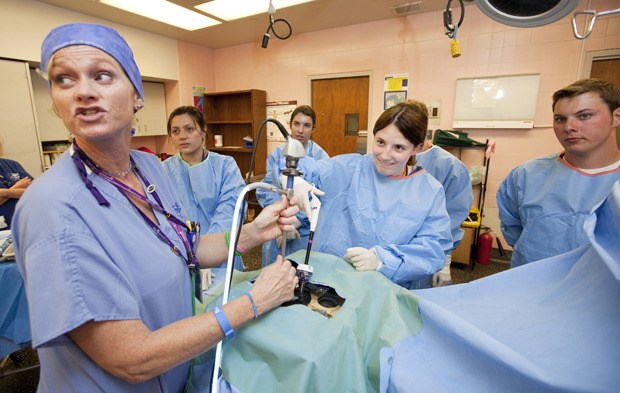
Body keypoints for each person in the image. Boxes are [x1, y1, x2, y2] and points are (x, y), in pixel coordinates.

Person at [11, 23, 300, 392]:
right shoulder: (53, 209)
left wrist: (252, 233)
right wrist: (254, 301)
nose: (83, 92)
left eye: (102, 75)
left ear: (137, 95)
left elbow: (185, 245)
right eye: (64, 79)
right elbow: (131, 358)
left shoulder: (147, 169)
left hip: (175, 372)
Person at [287, 100, 453, 290]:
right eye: (381, 142)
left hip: (387, 291)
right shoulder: (350, 168)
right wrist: (295, 180)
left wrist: (382, 260)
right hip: (332, 284)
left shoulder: (429, 192)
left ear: (417, 148)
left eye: (399, 147)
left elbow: (432, 250)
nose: (384, 155)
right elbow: (306, 169)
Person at [497, 78, 620, 268]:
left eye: (584, 116)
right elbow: (514, 230)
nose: (569, 127)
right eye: (560, 119)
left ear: (616, 117)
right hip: (533, 284)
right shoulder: (526, 176)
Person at [162, 106, 246, 271]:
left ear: (203, 131)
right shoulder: (164, 171)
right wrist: (189, 252)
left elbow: (230, 210)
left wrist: (208, 253)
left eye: (189, 129)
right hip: (182, 255)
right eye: (176, 131)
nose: (183, 136)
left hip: (222, 248)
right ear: (170, 137)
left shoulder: (225, 165)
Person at [255, 105, 329, 266]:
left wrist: (296, 220)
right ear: (290, 125)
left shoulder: (321, 157)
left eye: (307, 125)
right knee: (272, 270)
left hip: (304, 229)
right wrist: (282, 218)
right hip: (277, 223)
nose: (300, 130)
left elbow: (321, 196)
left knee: (300, 274)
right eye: (297, 124)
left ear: (313, 129)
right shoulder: (277, 154)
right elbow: (266, 189)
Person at [415, 139, 473, 287]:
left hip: (429, 254)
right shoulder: (384, 161)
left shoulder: (449, 166)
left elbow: (453, 216)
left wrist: (445, 259)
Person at [0, 141, 32, 229]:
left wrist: (3, 192)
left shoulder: (13, 165)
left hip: (23, 225)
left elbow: (32, 192)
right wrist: (17, 187)